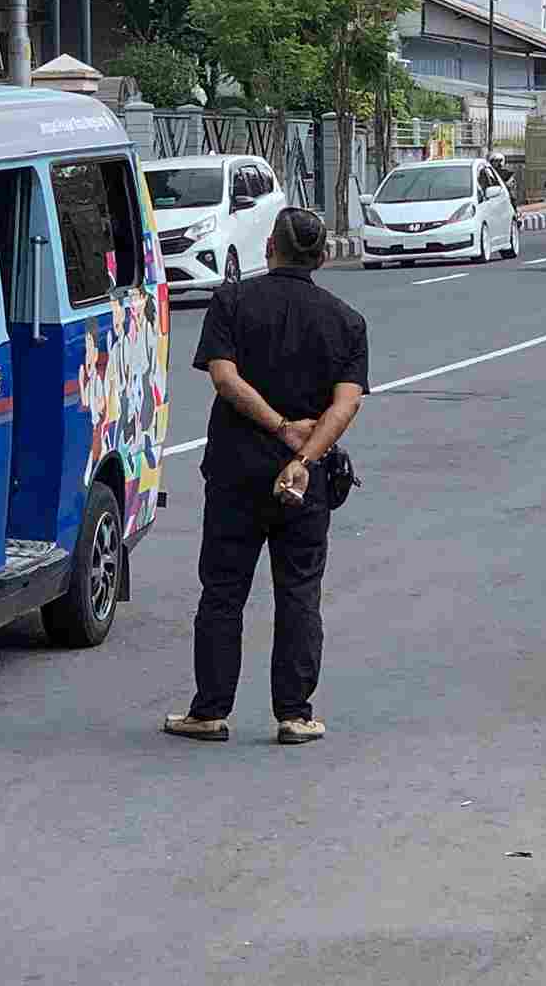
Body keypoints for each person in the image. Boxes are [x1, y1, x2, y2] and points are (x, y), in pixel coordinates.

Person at [164, 209, 368, 747]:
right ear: (322, 257)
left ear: (270, 244)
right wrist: (305, 452)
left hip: (235, 473)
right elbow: (347, 403)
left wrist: (278, 428)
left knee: (223, 593)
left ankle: (209, 711)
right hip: (305, 481)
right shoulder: (345, 320)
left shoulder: (232, 301)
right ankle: (295, 714)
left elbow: (223, 378)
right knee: (299, 591)